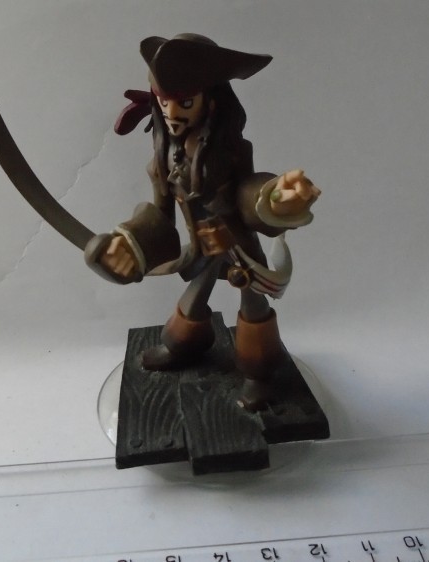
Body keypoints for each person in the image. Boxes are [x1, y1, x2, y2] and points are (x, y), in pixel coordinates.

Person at [84, 34, 321, 410]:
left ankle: (258, 374)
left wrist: (274, 197)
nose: (172, 113)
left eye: (184, 103)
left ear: (210, 101)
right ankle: (184, 345)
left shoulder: (230, 150)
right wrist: (128, 244)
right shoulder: (163, 158)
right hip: (202, 246)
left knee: (254, 306)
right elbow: (161, 216)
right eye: (164, 102)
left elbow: (246, 190)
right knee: (194, 297)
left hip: (238, 244)